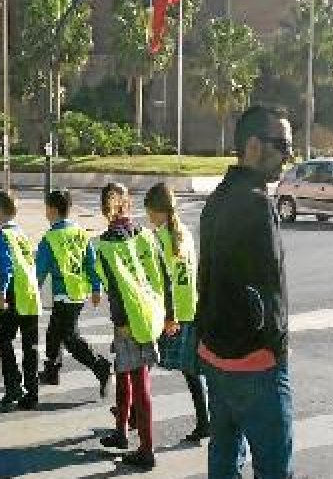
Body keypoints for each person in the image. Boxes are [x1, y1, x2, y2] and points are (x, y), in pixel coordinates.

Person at [196, 104, 293, 478]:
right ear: (253, 146)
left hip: (214, 356)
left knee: (223, 458)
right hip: (255, 364)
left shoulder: (217, 199)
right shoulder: (257, 204)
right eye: (282, 145)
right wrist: (278, 348)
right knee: (273, 468)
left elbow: (207, 275)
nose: (288, 156)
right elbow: (271, 287)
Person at [94, 182, 171, 471]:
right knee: (128, 374)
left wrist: (121, 323)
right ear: (129, 205)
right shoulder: (145, 236)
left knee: (136, 380)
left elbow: (113, 289)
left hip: (128, 321)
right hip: (151, 314)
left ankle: (146, 449)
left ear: (105, 210)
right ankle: (122, 430)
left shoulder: (104, 245)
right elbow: (163, 275)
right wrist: (169, 315)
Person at [146, 182, 210, 444]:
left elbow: (163, 280)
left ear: (157, 211)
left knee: (144, 358)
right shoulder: (185, 233)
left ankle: (132, 411)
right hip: (191, 308)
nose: (148, 216)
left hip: (170, 313)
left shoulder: (158, 239)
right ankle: (204, 420)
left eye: (149, 211)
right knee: (191, 369)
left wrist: (167, 315)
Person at [34, 189, 111, 397]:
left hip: (63, 293)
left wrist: (33, 291)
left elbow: (40, 271)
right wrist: (96, 288)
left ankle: (99, 365)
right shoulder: (81, 234)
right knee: (54, 332)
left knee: (70, 338)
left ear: (52, 210)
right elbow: (91, 263)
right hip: (78, 292)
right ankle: (52, 370)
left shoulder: (50, 238)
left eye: (46, 209)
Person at [0, 190, 41, 410]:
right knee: (30, 345)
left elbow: (5, 266)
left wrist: (2, 291)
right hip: (31, 293)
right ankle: (32, 391)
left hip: (14, 293)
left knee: (4, 338)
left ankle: (13, 385)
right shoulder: (21, 234)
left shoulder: (1, 235)